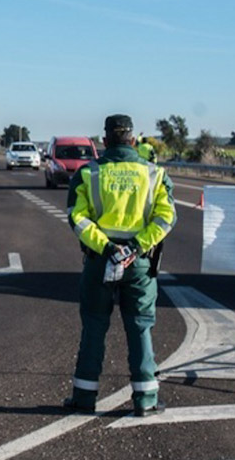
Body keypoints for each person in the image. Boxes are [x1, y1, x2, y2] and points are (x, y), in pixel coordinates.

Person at [63, 114, 176, 416]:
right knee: (140, 327)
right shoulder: (154, 174)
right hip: (138, 262)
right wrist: (136, 247)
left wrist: (108, 247)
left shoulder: (89, 173)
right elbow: (166, 218)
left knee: (94, 326)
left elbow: (77, 217)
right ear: (134, 139)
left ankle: (84, 398)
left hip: (101, 261)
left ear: (104, 141)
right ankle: (146, 400)